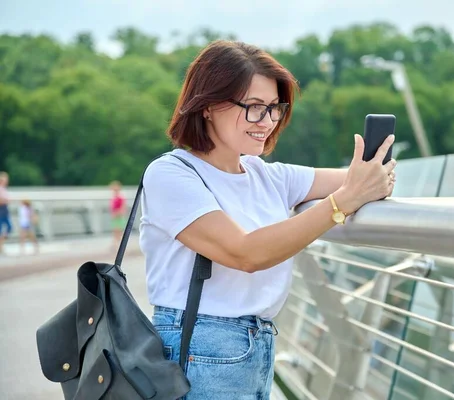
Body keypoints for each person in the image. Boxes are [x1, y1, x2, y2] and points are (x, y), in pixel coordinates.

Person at [140, 40, 396, 400]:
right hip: (200, 344)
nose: (268, 122)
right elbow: (245, 253)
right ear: (209, 106)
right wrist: (343, 202)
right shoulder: (172, 175)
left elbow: (354, 181)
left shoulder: (266, 175)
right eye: (255, 108)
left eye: (275, 108)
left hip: (257, 342)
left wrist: (375, 178)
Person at [109, 180, 126, 251]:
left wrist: (117, 214)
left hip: (118, 216)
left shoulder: (119, 197)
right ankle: (117, 245)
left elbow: (122, 208)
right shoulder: (115, 197)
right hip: (115, 216)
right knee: (116, 231)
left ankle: (118, 245)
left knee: (118, 231)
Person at [0, 172, 12, 255]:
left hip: (5, 210)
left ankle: (1, 244)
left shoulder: (4, 189)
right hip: (1, 209)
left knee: (9, 227)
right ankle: (1, 246)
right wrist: (5, 200)